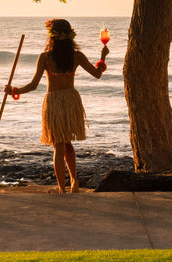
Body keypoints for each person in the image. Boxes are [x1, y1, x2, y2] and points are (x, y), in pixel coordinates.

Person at [7, 19, 109, 192]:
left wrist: (14, 90)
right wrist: (102, 57)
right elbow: (97, 74)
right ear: (70, 35)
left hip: (54, 101)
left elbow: (33, 86)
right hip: (71, 100)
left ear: (51, 36)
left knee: (58, 146)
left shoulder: (45, 57)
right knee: (67, 143)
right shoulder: (77, 56)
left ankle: (62, 188)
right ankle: (74, 181)